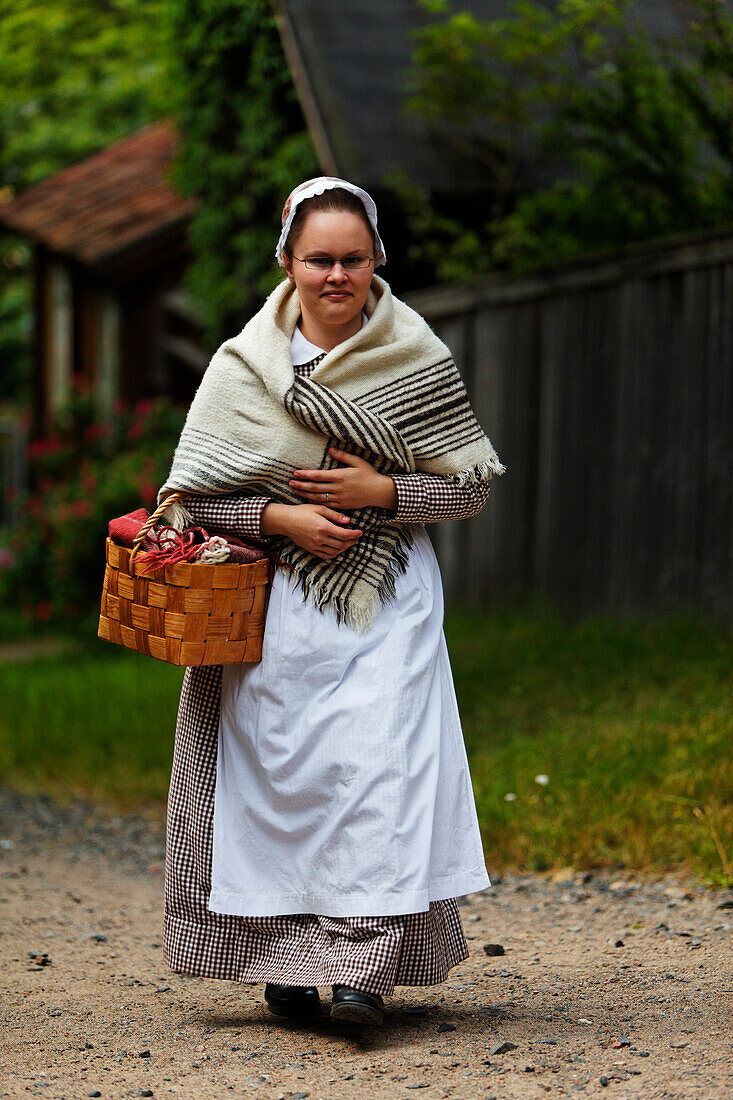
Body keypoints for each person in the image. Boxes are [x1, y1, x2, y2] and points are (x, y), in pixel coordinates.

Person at [158, 176, 506, 1028]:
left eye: (353, 259)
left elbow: (466, 491)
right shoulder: (244, 368)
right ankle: (284, 956)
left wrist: (383, 490)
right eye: (319, 259)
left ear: (377, 260)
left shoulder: (416, 358)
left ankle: (363, 966)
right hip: (276, 609)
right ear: (288, 261)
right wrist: (281, 515)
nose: (336, 276)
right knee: (286, 781)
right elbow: (193, 500)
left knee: (380, 773)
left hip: (389, 600)